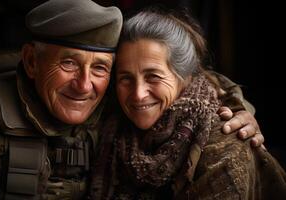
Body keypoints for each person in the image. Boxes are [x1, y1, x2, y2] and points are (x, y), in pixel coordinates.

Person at [0, 1, 263, 199]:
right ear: (32, 62)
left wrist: (236, 106)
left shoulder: (119, 98)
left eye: (101, 68)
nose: (84, 85)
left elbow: (184, 78)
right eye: (68, 64)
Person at [89, 9, 286, 200]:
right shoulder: (109, 125)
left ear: (185, 78)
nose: (138, 94)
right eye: (126, 78)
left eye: (153, 77)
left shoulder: (224, 142)